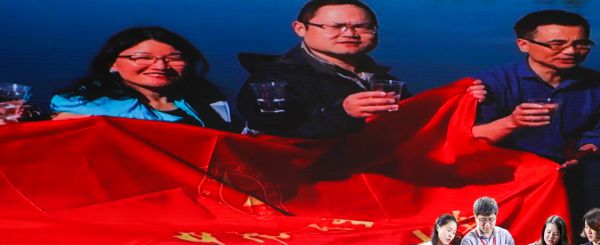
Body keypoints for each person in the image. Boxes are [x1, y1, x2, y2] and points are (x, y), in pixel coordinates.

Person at [472, 10, 600, 230]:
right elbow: (470, 138)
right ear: (523, 44)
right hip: (504, 181)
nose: (570, 51)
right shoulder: (492, 83)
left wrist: (586, 149)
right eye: (557, 44)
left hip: (564, 178)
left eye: (581, 44)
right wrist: (512, 121)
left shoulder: (599, 84)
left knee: (562, 237)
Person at [237, 0, 402, 138]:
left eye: (362, 26)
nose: (350, 34)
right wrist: (343, 112)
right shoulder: (272, 80)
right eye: (335, 26)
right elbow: (275, 132)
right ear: (300, 28)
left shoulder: (384, 80)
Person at [50, 26, 231, 129]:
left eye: (174, 58)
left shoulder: (208, 103)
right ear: (112, 64)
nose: (160, 66)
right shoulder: (84, 107)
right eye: (143, 58)